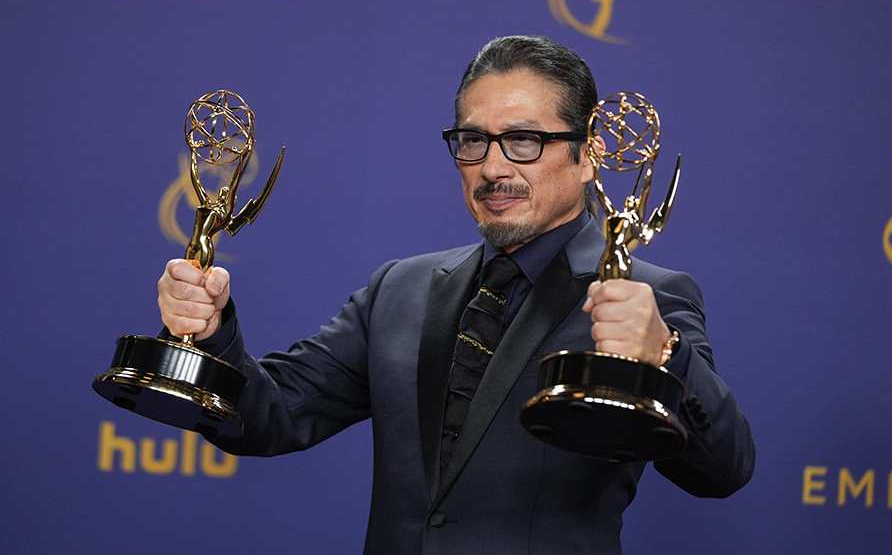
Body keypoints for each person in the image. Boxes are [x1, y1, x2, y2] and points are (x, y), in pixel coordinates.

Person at [157, 35, 755, 554]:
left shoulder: (647, 296)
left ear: (589, 155)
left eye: (523, 140)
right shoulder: (399, 289)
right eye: (472, 141)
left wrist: (663, 354)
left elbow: (724, 469)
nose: (493, 167)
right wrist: (212, 335)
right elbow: (271, 415)